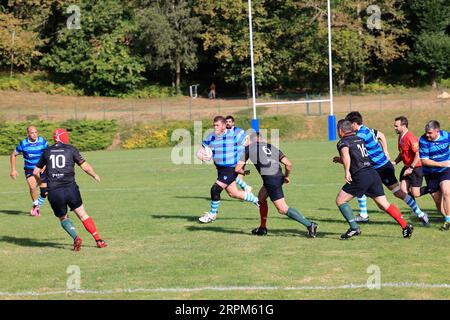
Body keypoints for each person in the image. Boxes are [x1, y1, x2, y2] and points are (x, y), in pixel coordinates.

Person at [334, 119, 413, 239]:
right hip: (372, 173)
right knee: (383, 204)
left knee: (340, 200)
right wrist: (341, 161)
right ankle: (405, 226)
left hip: (361, 176)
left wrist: (346, 172)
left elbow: (346, 156)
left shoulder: (342, 142)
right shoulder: (359, 139)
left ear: (340, 130)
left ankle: (354, 228)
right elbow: (355, 157)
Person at [344, 112, 427, 224]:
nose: (348, 127)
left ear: (354, 124)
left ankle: (420, 213)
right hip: (375, 168)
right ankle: (364, 215)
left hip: (382, 168)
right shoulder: (367, 129)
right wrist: (385, 151)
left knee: (398, 192)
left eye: (349, 124)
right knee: (361, 186)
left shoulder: (360, 135)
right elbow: (382, 136)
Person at [33, 128, 107, 251]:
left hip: (54, 192)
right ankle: (98, 240)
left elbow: (36, 171)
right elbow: (85, 167)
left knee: (63, 218)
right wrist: (94, 175)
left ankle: (76, 237)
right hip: (71, 189)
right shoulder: (71, 149)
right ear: (64, 137)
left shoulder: (47, 151)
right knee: (83, 215)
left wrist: (41, 183)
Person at [235, 132, 318, 237]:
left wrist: (244, 172)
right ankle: (262, 228)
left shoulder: (249, 148)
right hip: (278, 177)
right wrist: (286, 176)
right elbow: (288, 164)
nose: (245, 142)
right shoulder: (272, 147)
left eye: (247, 140)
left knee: (282, 209)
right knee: (261, 198)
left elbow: (237, 169)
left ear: (253, 140)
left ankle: (310, 224)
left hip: (271, 180)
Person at [198, 116, 260, 223]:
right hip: (221, 169)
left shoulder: (235, 135)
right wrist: (201, 156)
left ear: (223, 125)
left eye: (217, 125)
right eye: (214, 125)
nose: (215, 127)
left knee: (215, 189)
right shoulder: (211, 136)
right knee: (233, 193)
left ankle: (212, 214)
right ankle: (258, 201)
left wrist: (243, 161)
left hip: (231, 168)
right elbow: (201, 150)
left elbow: (249, 145)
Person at [392, 116, 429, 226]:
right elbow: (402, 153)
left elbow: (418, 154)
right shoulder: (400, 137)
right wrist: (395, 162)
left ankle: (433, 188)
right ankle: (416, 210)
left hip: (416, 168)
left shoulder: (410, 138)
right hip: (407, 167)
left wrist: (411, 168)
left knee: (415, 193)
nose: (394, 128)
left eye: (396, 126)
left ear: (403, 126)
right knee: (403, 190)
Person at [418, 120, 450, 231]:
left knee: (447, 192)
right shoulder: (423, 140)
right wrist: (441, 163)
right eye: (426, 132)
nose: (427, 135)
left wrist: (445, 164)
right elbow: (424, 161)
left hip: (445, 170)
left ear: (437, 131)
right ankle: (446, 217)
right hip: (430, 173)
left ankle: (448, 221)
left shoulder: (446, 135)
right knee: (437, 200)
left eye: (430, 133)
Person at [10, 126, 48, 216]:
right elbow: (13, 155)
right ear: (28, 134)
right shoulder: (23, 144)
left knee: (44, 192)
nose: (34, 134)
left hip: (41, 168)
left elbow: (48, 154)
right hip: (29, 169)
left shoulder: (42, 141)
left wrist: (45, 165)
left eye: (36, 132)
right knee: (32, 187)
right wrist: (13, 170)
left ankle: (36, 206)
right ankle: (35, 205)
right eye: (32, 133)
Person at [225, 115, 252, 193]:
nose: (228, 123)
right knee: (234, 173)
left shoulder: (239, 131)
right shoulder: (224, 131)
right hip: (230, 157)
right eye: (226, 122)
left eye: (229, 122)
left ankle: (245, 189)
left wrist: (246, 149)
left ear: (233, 123)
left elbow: (248, 138)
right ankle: (246, 190)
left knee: (235, 173)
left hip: (240, 156)